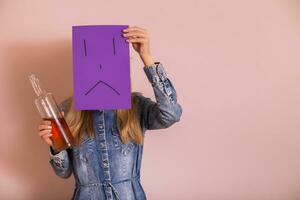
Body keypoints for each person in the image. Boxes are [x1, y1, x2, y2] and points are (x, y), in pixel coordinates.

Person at [37, 26, 183, 200]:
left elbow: (171, 113)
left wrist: (146, 57)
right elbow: (64, 172)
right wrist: (55, 145)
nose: (101, 68)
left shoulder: (136, 106)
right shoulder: (66, 110)